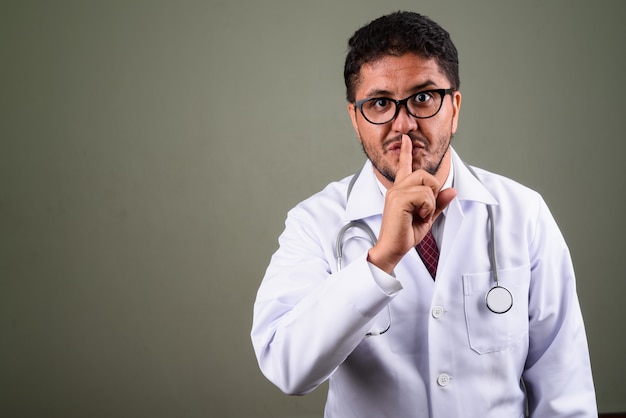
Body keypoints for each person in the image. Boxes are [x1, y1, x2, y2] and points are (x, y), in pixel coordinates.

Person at [251, 11, 597, 417]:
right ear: (355, 119)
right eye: (380, 103)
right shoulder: (315, 222)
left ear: (455, 107)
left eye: (423, 97)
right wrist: (380, 262)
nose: (404, 124)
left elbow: (564, 389)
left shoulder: (524, 213)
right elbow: (287, 369)